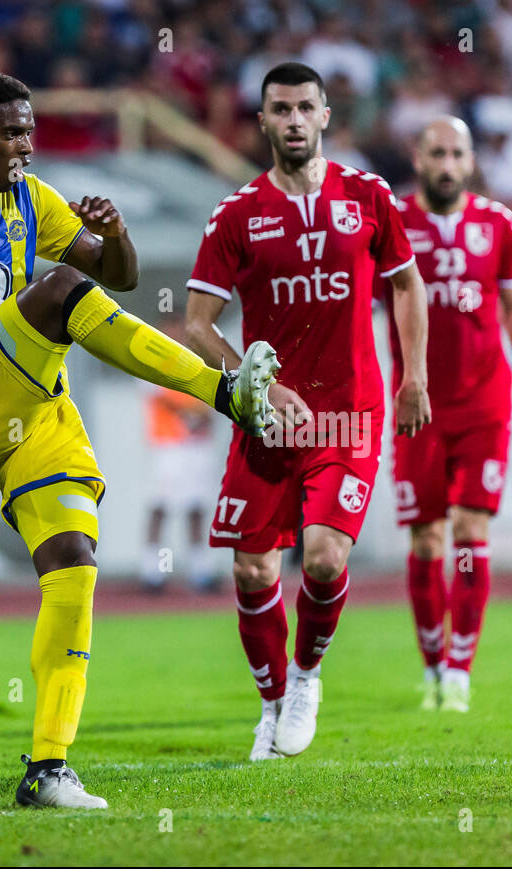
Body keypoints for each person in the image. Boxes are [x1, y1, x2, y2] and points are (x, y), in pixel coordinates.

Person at [0, 70, 278, 810]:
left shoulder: (31, 200)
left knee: (74, 563)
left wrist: (120, 235)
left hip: (40, 416)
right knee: (59, 290)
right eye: (14, 132)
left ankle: (48, 768)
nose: (29, 146)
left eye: (32, 130)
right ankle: (228, 392)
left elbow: (117, 280)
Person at [183, 62, 430, 761]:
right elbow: (197, 326)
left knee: (322, 558)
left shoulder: (369, 197)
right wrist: (253, 383)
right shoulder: (235, 216)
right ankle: (270, 704)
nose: (293, 120)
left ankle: (307, 677)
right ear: (261, 121)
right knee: (253, 571)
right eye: (279, 109)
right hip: (266, 419)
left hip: (350, 413)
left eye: (305, 108)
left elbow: (407, 287)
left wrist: (414, 375)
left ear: (325, 117)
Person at [388, 117, 512, 712]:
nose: (448, 164)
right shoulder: (395, 224)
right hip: (417, 402)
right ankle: (432, 663)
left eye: (457, 153)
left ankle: (459, 670)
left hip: (485, 402)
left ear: (472, 159)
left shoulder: (498, 223)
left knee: (469, 531)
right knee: (427, 539)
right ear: (419, 157)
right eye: (437, 153)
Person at [140, 317, 221, 593]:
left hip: (196, 446)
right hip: (169, 446)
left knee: (196, 507)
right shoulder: (151, 364)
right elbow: (176, 404)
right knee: (160, 505)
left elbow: (210, 406)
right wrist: (197, 413)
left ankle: (201, 571)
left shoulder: (195, 364)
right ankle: (153, 572)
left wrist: (202, 414)